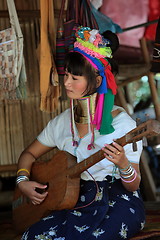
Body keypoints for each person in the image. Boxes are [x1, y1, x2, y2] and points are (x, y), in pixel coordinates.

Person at [17, 26, 145, 240]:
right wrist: (23, 181)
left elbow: (134, 184)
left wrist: (123, 164)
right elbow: (28, 154)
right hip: (76, 198)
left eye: (75, 77)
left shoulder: (123, 124)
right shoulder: (61, 124)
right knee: (32, 235)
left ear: (97, 80)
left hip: (119, 199)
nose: (66, 82)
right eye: (66, 74)